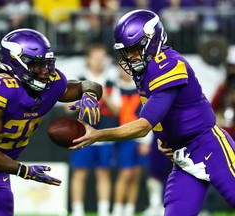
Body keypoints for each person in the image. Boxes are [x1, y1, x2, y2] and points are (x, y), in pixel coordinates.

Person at [69, 9, 235, 215]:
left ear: (153, 40)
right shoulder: (145, 70)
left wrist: (98, 134)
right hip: (182, 155)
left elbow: (142, 126)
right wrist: (164, 135)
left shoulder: (169, 64)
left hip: (209, 146)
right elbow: (160, 112)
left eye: (135, 49)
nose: (130, 57)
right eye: (126, 51)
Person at [0, 28, 102, 216]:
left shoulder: (53, 83)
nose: (45, 71)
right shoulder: (2, 89)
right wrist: (23, 170)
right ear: (16, 63)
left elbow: (88, 85)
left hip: (0, 170)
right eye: (37, 65)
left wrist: (90, 94)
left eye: (48, 64)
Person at [69, 43, 120, 216]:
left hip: (104, 133)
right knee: (80, 172)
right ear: (88, 59)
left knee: (104, 173)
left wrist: (101, 93)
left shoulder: (111, 82)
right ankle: (77, 210)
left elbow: (117, 109)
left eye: (102, 57)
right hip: (81, 132)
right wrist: (83, 98)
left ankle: (104, 210)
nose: (99, 61)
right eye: (96, 57)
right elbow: (66, 107)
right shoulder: (78, 81)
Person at [112, 65, 151, 216]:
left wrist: (146, 141)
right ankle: (117, 208)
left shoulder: (143, 88)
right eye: (122, 68)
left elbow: (149, 116)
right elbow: (115, 110)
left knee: (136, 175)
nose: (125, 71)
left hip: (141, 135)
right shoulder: (114, 86)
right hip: (124, 136)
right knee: (125, 174)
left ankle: (129, 209)